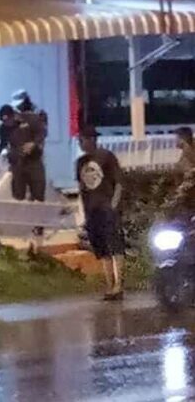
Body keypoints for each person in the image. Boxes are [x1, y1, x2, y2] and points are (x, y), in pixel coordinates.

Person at [77, 126, 125, 301]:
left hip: (107, 207)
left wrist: (114, 204)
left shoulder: (106, 157)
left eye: (82, 140)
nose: (80, 144)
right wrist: (84, 212)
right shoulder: (80, 162)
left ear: (91, 140)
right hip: (92, 211)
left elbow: (119, 182)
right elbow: (82, 188)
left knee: (115, 246)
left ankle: (119, 284)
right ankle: (109, 285)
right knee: (101, 248)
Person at [8, 94, 47, 203]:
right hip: (17, 161)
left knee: (38, 193)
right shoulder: (10, 119)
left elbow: (42, 132)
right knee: (18, 195)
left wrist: (33, 144)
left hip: (33, 160)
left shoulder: (34, 117)